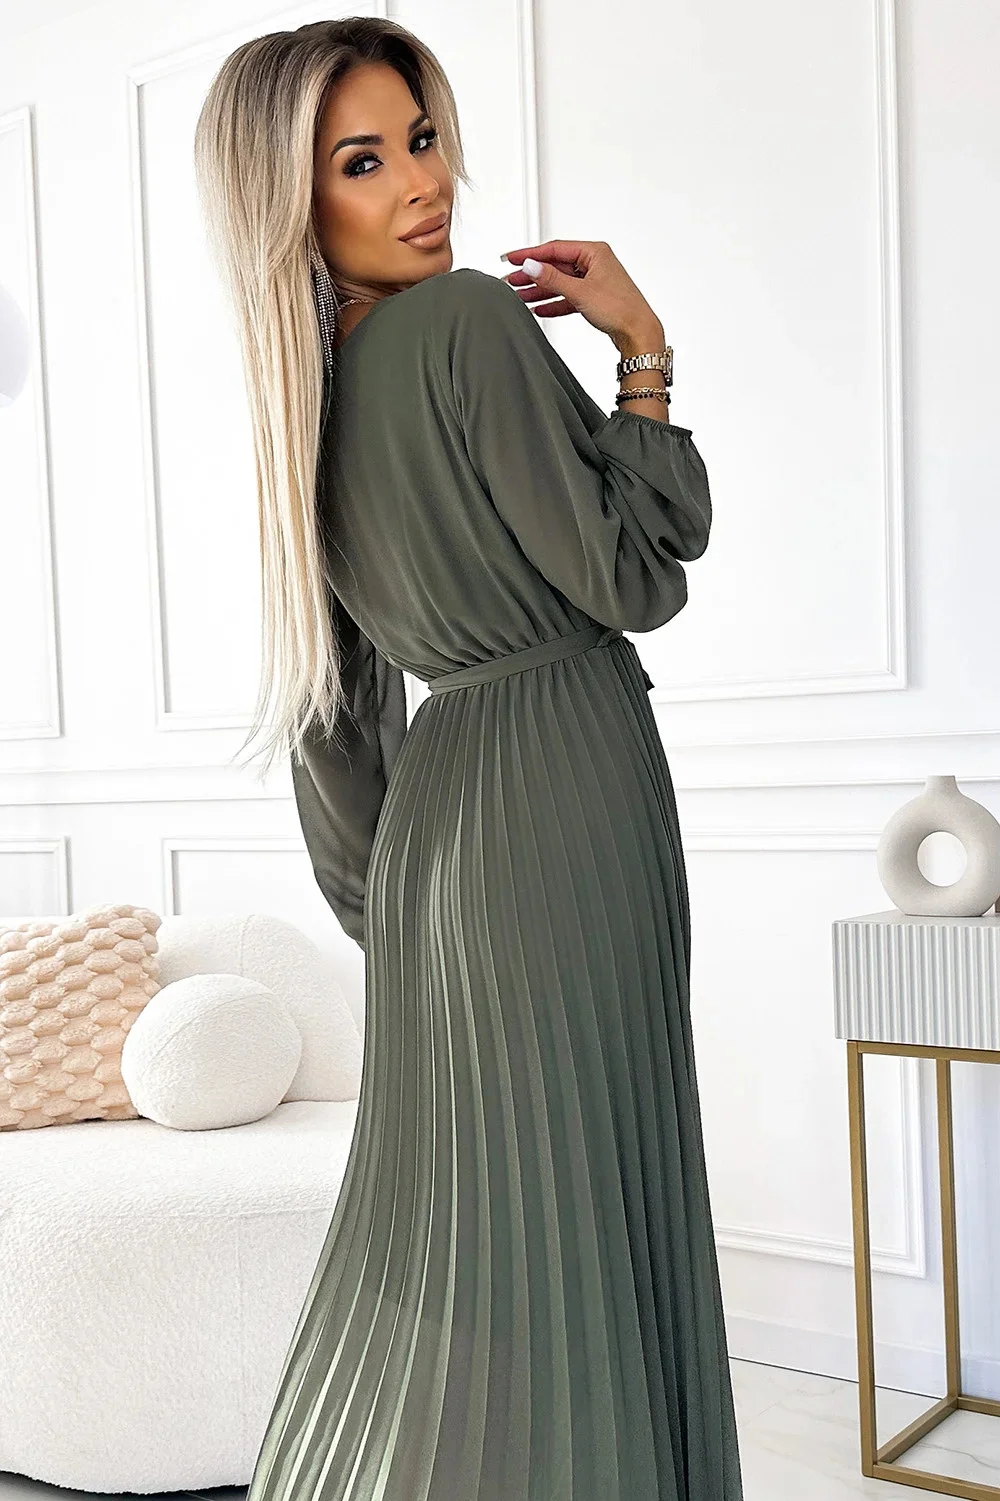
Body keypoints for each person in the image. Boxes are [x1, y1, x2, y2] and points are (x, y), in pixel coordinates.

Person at [194, 15, 742, 1500]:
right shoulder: (468, 326)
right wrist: (642, 353)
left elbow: (334, 716)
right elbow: (637, 573)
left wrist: (394, 906)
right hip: (565, 782)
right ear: (292, 201)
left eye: (421, 139)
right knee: (592, 1185)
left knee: (471, 1219)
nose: (422, 184)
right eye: (363, 162)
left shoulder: (301, 407)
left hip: (436, 840)